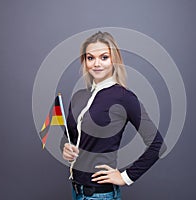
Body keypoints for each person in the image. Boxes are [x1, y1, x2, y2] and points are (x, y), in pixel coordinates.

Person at [61, 31, 166, 200]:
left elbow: (157, 145)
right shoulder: (79, 96)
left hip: (100, 195)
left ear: (114, 60)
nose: (96, 64)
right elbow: (70, 137)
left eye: (104, 57)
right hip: (76, 191)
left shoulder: (124, 97)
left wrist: (125, 177)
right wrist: (65, 148)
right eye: (90, 58)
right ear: (85, 62)